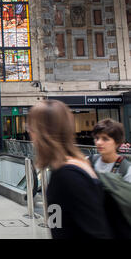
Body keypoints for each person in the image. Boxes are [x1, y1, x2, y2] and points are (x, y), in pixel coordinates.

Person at [27, 100, 112, 239]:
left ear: (43, 132)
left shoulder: (67, 176)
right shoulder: (75, 166)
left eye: (31, 127)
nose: (30, 133)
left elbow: (94, 232)